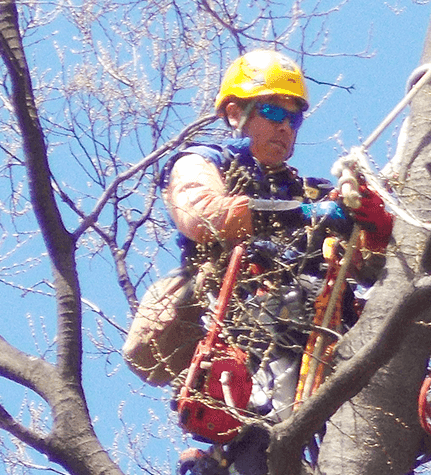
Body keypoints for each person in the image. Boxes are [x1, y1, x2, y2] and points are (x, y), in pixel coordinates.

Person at [130, 49, 392, 475]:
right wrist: (296, 216)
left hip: (326, 330)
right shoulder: (203, 162)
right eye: (273, 112)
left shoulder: (311, 191)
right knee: (270, 414)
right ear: (236, 112)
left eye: (295, 119)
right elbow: (203, 213)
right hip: (248, 315)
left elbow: (370, 265)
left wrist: (374, 224)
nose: (285, 127)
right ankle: (243, 449)